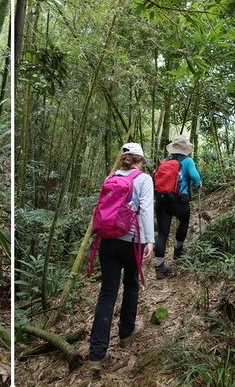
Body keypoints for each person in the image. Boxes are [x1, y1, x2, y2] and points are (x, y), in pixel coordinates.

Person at [88, 143, 154, 372]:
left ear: (124, 159)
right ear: (140, 160)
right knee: (131, 285)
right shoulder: (143, 179)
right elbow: (145, 209)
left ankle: (96, 354)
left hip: (106, 242)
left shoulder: (111, 177)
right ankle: (126, 332)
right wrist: (149, 240)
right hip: (131, 241)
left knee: (107, 294)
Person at [153, 136, 202, 280]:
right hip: (179, 201)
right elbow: (195, 177)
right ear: (186, 149)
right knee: (184, 221)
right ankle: (178, 251)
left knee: (162, 233)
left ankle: (159, 268)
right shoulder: (187, 161)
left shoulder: (165, 161)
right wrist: (198, 184)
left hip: (161, 200)